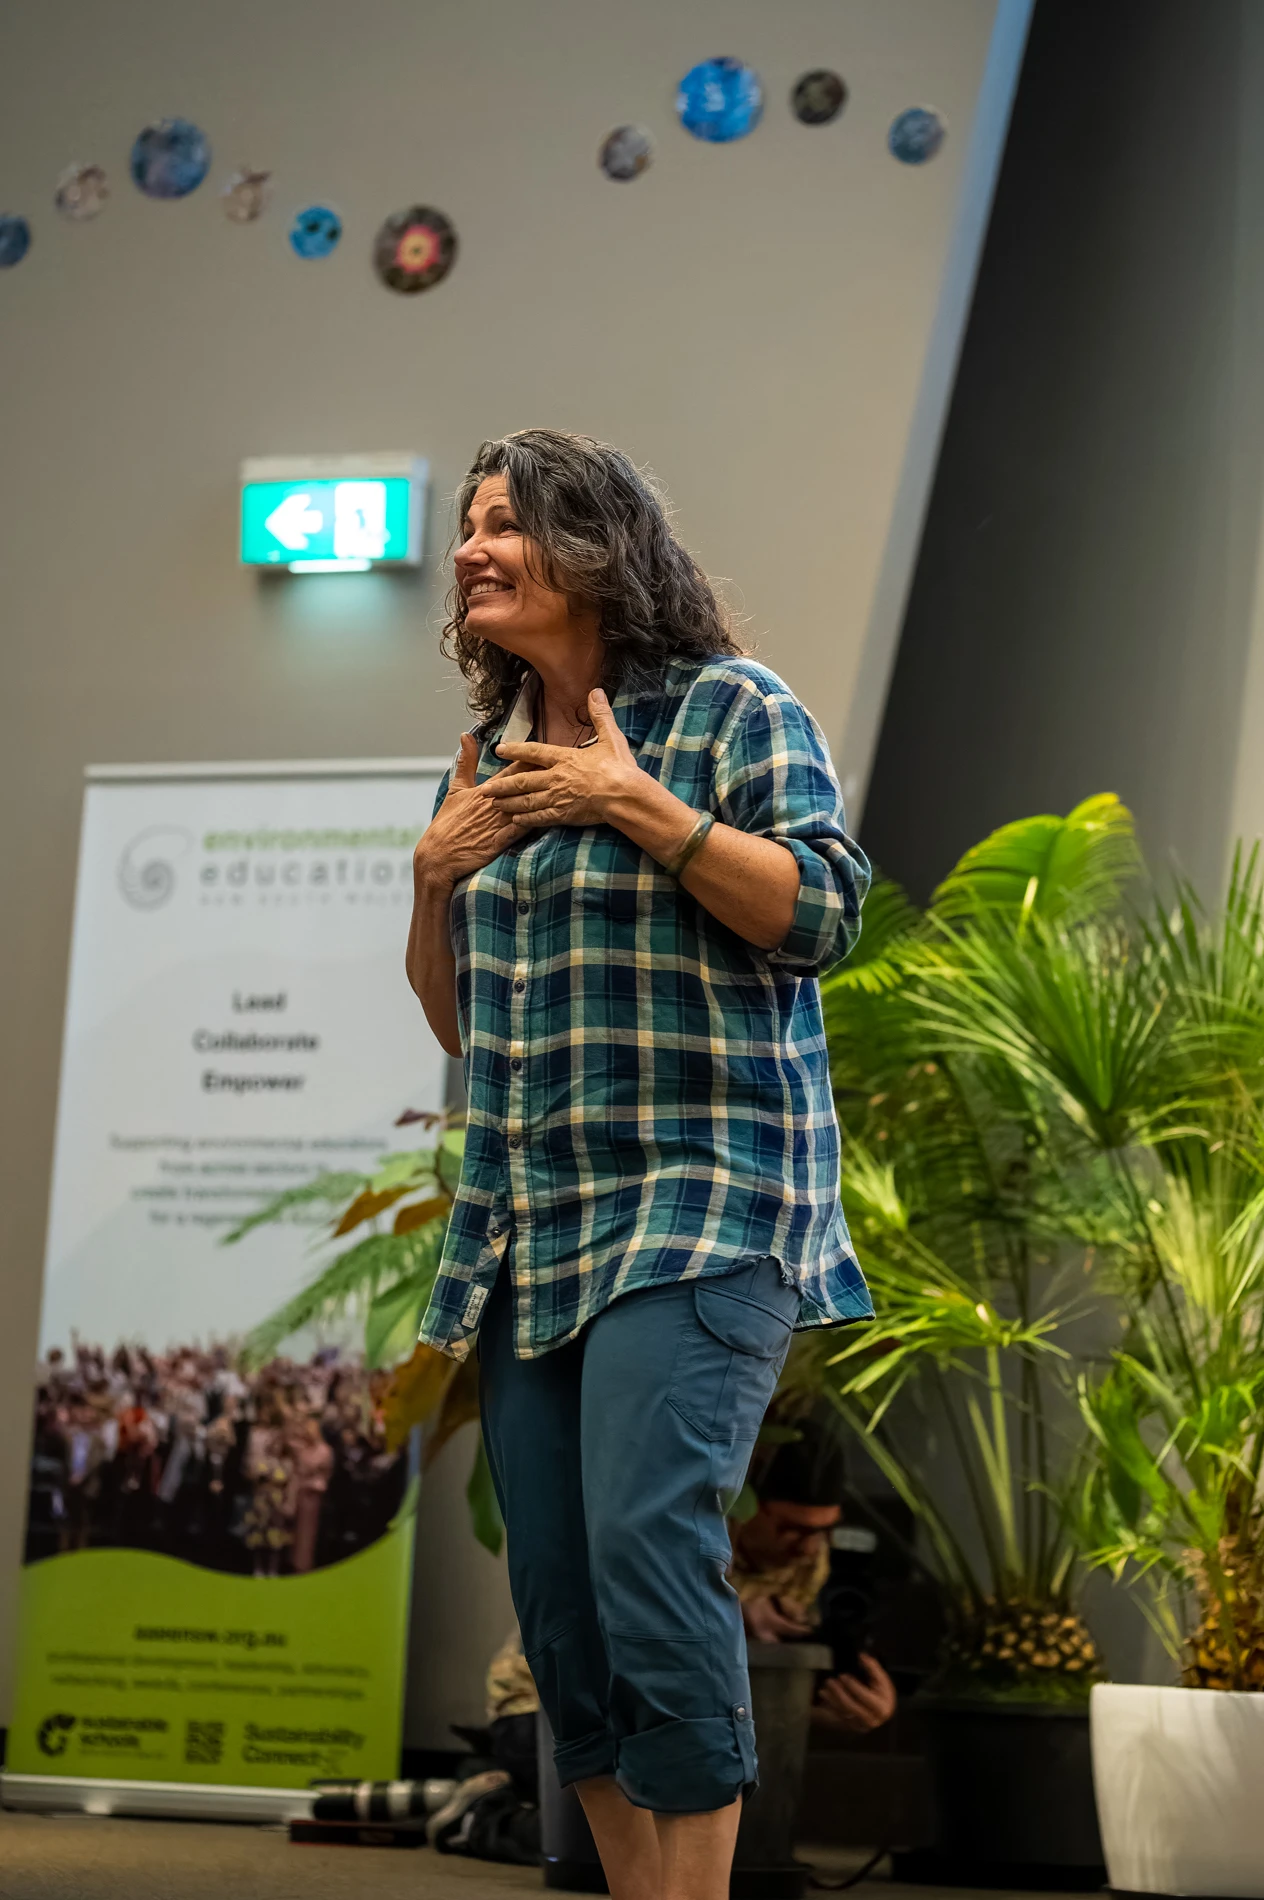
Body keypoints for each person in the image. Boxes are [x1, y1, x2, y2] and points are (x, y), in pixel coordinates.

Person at [406, 429, 873, 1900]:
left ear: (596, 547)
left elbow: (819, 921)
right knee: (558, 1604)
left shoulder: (735, 711)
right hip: (530, 1225)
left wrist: (638, 806)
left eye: (503, 524)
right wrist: (431, 882)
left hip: (704, 1200)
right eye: (465, 528)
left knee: (647, 1552)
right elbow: (461, 1017)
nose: (470, 549)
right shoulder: (484, 760)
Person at [732, 1419, 898, 1736]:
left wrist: (862, 1708)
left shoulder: (816, 1569)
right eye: (792, 1529)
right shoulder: (692, 1546)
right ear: (745, 1507)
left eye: (824, 1530)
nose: (809, 1549)